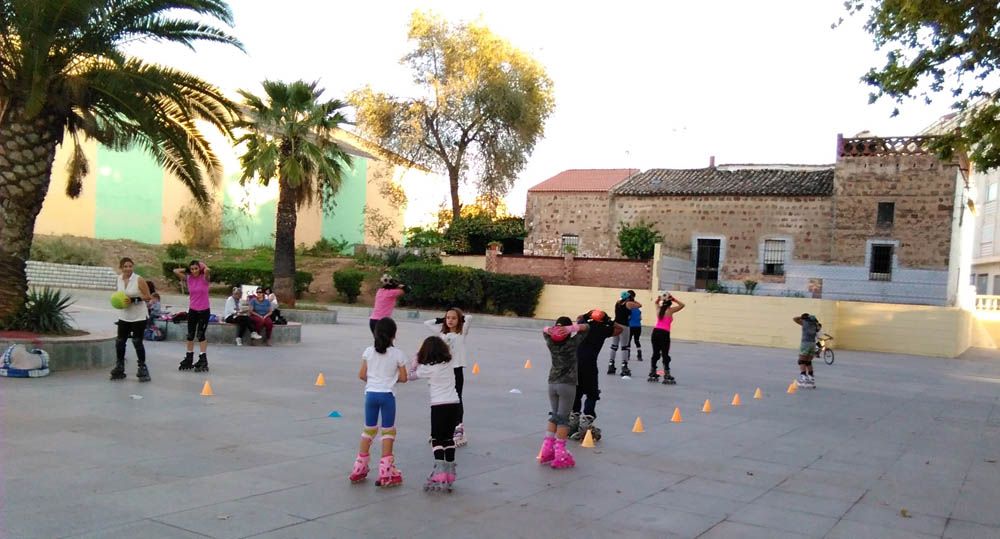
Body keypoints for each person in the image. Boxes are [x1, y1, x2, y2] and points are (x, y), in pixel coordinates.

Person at [349, 317, 409, 486]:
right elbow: (404, 378)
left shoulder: (368, 351)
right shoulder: (398, 354)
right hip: (387, 395)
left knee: (368, 430)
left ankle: (359, 467)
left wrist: (375, 380)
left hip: (371, 395)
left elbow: (362, 375)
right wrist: (391, 378)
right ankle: (386, 471)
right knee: (388, 431)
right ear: (393, 335)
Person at [411, 336, 461, 492]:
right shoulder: (449, 363)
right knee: (448, 438)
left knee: (437, 439)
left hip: (439, 406)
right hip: (454, 404)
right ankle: (450, 472)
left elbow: (411, 376)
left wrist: (416, 361)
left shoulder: (427, 368)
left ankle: (439, 473)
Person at [538, 316, 589, 469]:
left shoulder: (550, 342)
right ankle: (560, 453)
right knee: (563, 419)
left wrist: (551, 330)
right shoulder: (572, 343)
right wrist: (572, 328)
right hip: (567, 384)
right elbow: (587, 328)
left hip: (552, 383)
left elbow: (544, 330)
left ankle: (547, 449)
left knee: (554, 415)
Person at [570, 309, 619, 442]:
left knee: (577, 391)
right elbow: (619, 329)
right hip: (590, 365)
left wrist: (587, 314)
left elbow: (579, 317)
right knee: (592, 393)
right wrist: (609, 321)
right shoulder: (604, 329)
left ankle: (573, 419)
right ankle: (586, 420)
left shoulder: (584, 326)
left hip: (575, 363)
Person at [425, 307, 471, 447]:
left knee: (457, 398)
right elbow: (427, 323)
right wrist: (440, 319)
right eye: (448, 318)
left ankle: (458, 427)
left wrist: (460, 317)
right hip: (444, 371)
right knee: (444, 398)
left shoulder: (462, 332)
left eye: (453, 318)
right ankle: (444, 429)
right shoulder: (441, 333)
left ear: (459, 320)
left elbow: (469, 318)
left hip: (456, 370)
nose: (450, 320)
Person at [111, 257, 153, 381]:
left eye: (130, 266)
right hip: (124, 316)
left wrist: (134, 300)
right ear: (121, 268)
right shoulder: (119, 279)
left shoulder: (138, 279)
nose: (128, 268)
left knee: (137, 341)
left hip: (138, 316)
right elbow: (119, 296)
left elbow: (148, 297)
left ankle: (142, 368)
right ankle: (119, 366)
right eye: (125, 266)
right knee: (120, 341)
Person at [173, 260, 211, 372]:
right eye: (192, 269)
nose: (194, 271)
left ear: (200, 269)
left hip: (204, 310)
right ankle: (189, 357)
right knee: (190, 335)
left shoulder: (205, 277)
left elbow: (208, 270)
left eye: (196, 268)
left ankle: (203, 358)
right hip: (193, 310)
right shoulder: (189, 279)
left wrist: (202, 265)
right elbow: (175, 271)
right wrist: (186, 269)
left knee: (200, 335)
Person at [648, 293, 685, 384]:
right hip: (664, 333)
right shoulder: (670, 310)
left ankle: (652, 372)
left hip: (655, 332)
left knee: (656, 353)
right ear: (670, 303)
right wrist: (674, 299)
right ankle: (667, 373)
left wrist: (660, 298)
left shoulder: (658, 309)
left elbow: (656, 302)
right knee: (665, 354)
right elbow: (682, 305)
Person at [607, 291, 641, 377]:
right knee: (624, 347)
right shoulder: (629, 303)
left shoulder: (617, 303)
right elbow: (639, 305)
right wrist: (633, 300)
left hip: (615, 325)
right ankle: (624, 366)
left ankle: (611, 364)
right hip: (624, 326)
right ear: (629, 297)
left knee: (614, 346)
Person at [793, 313, 821, 388]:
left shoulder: (804, 323)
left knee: (801, 361)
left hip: (805, 344)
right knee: (808, 362)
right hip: (812, 344)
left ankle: (803, 378)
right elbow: (819, 328)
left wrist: (801, 317)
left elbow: (794, 319)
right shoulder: (815, 325)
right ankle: (811, 379)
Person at [627, 290, 644, 362]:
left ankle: (627, 355)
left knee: (628, 341)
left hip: (630, 326)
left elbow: (628, 317)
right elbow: (640, 318)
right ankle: (639, 355)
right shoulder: (638, 309)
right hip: (638, 326)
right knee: (637, 340)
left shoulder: (628, 308)